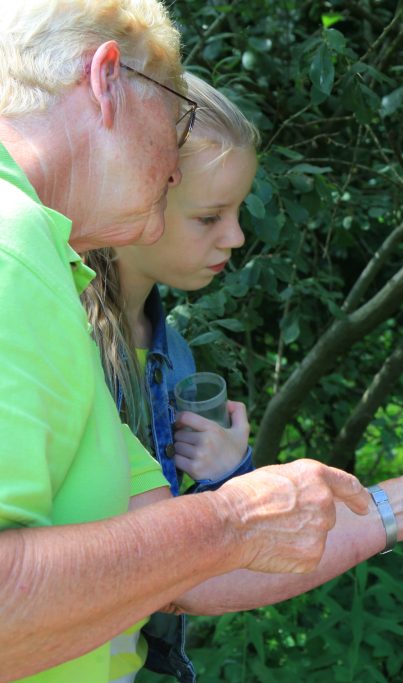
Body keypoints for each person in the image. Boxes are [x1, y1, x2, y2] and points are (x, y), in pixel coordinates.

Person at [0, 3, 403, 682]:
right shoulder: (10, 249)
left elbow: (179, 569)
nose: (171, 162)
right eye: (177, 114)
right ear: (107, 80)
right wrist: (230, 518)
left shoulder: (46, 264)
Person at [80, 72, 260, 682]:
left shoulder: (174, 356)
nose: (236, 236)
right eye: (209, 217)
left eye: (237, 211)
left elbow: (190, 563)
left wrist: (228, 475)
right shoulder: (58, 339)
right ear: (135, 196)